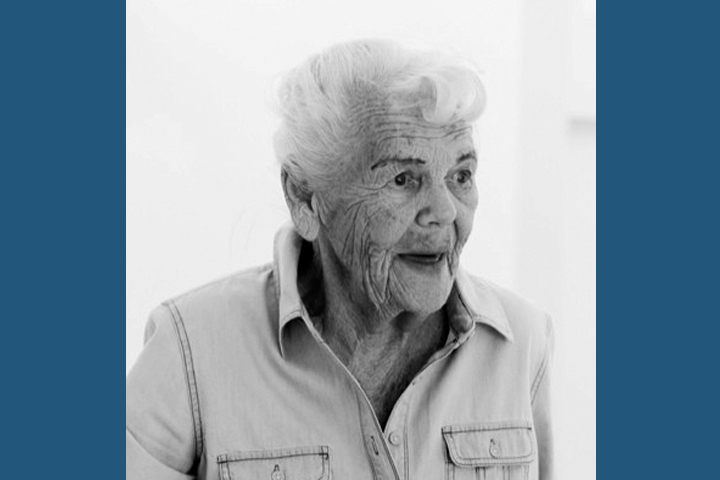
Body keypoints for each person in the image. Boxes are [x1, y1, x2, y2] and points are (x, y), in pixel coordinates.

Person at [126, 39, 554, 480]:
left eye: (460, 175)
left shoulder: (522, 343)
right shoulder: (192, 349)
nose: (444, 211)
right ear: (304, 198)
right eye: (402, 179)